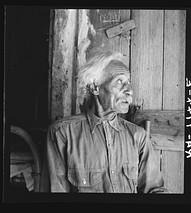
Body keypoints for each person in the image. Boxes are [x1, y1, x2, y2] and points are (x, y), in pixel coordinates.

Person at [40, 50, 168, 193]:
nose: (130, 90)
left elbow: (155, 190)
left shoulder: (138, 136)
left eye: (128, 82)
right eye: (120, 81)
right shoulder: (61, 133)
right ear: (95, 87)